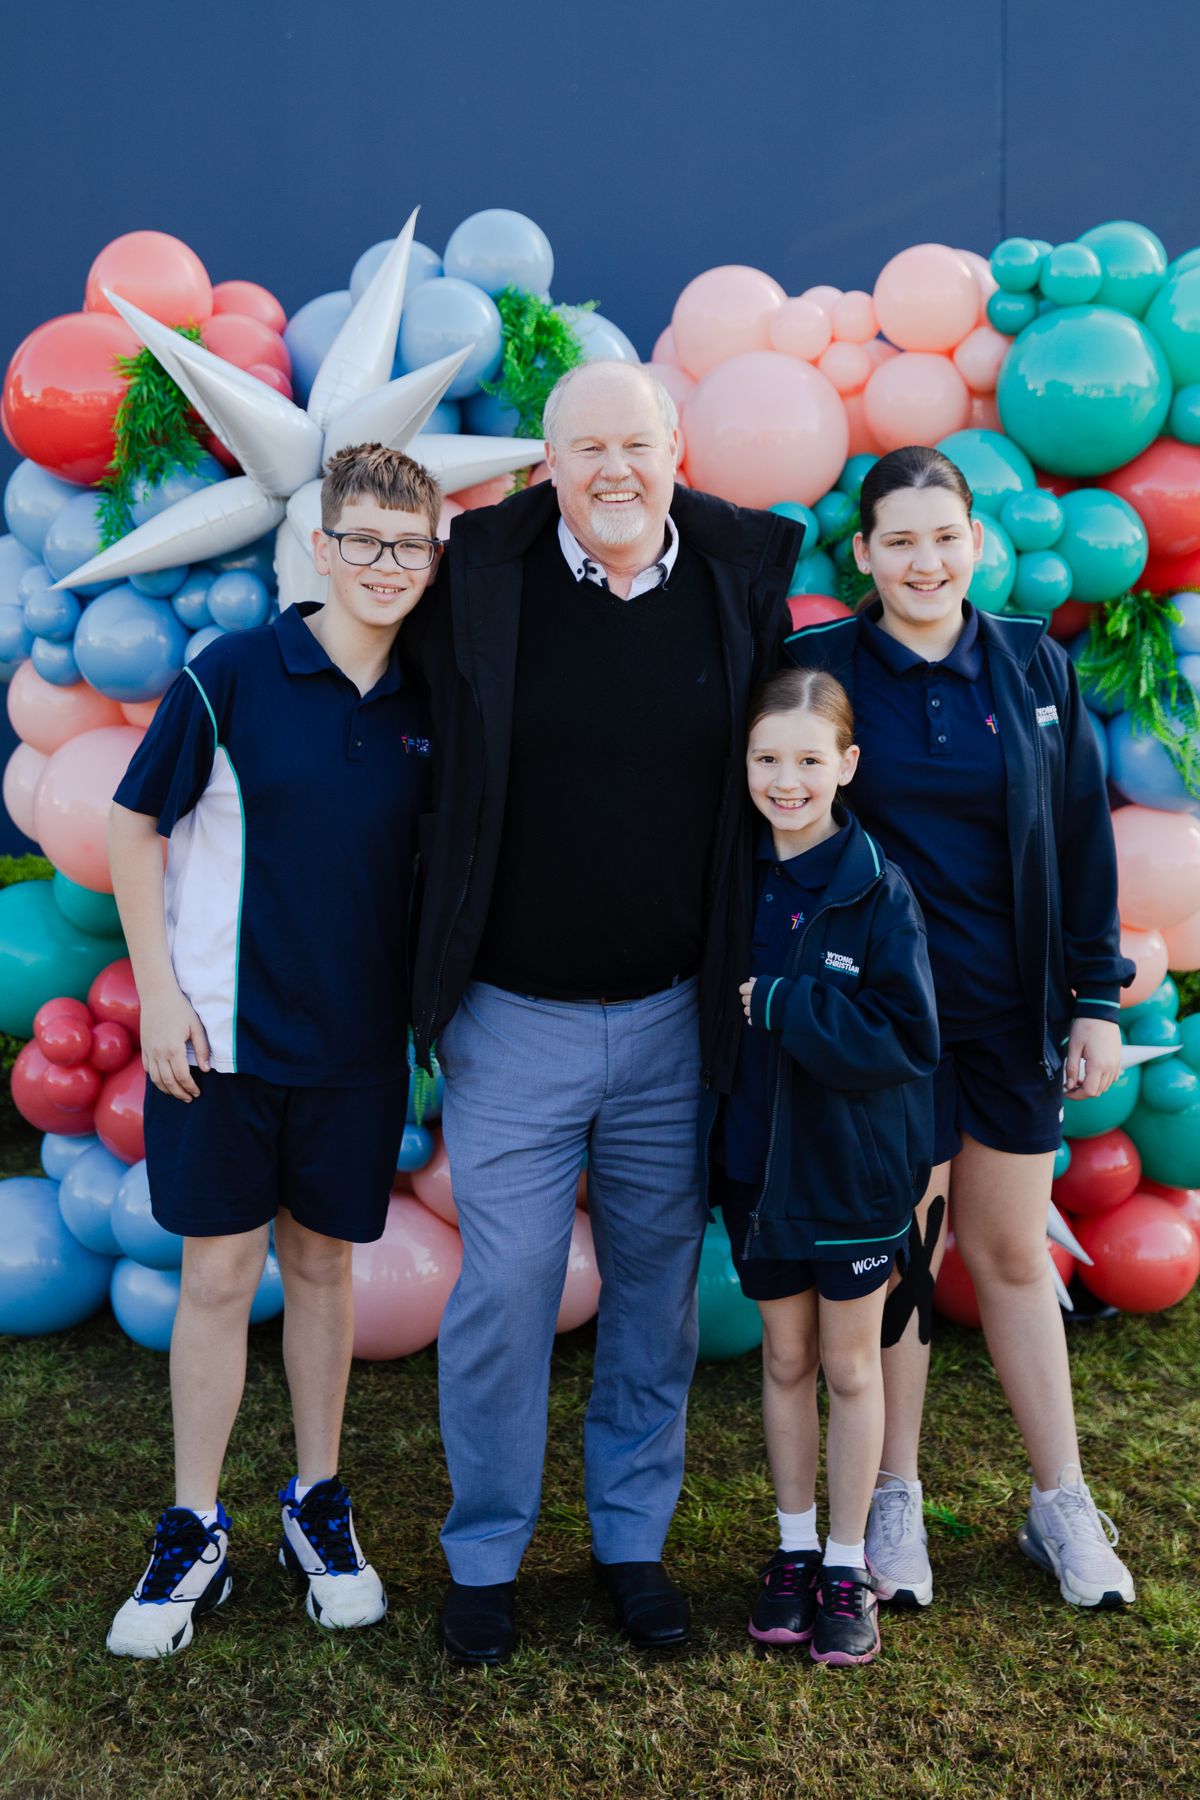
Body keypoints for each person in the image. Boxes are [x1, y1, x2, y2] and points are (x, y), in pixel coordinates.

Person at [404, 359, 803, 1664]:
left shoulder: (740, 580)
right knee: (507, 1290)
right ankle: (485, 1554)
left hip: (676, 1019)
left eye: (635, 443)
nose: (614, 471)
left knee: (654, 1296)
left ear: (676, 445)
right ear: (548, 464)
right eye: (586, 449)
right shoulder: (482, 578)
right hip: (513, 1017)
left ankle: (632, 1541)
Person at [105, 443, 442, 1657]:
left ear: (433, 559)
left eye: (410, 546)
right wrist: (158, 996)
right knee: (214, 1275)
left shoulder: (434, 699)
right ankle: (194, 1524)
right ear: (321, 546)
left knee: (324, 1268)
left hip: (356, 1051)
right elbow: (132, 824)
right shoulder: (235, 672)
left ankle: (317, 1501)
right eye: (365, 540)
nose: (386, 564)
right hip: (221, 1044)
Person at [786, 444, 1136, 1611]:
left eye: (945, 537)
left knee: (1013, 1254)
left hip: (1009, 1018)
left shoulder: (1035, 665)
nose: (925, 561)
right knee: (905, 1263)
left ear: (976, 542)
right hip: (888, 1032)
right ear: (864, 554)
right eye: (900, 541)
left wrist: (1095, 999)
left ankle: (1061, 1503)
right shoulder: (825, 670)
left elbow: (1082, 839)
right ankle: (894, 1496)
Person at [710, 666, 937, 1664]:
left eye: (808, 760)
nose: (786, 780)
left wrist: (789, 1006)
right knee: (785, 1359)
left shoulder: (879, 889)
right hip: (757, 1170)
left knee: (849, 1365)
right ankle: (795, 1547)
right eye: (767, 758)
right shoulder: (732, 874)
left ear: (846, 764)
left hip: (849, 1177)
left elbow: (907, 1039)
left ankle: (847, 1563)